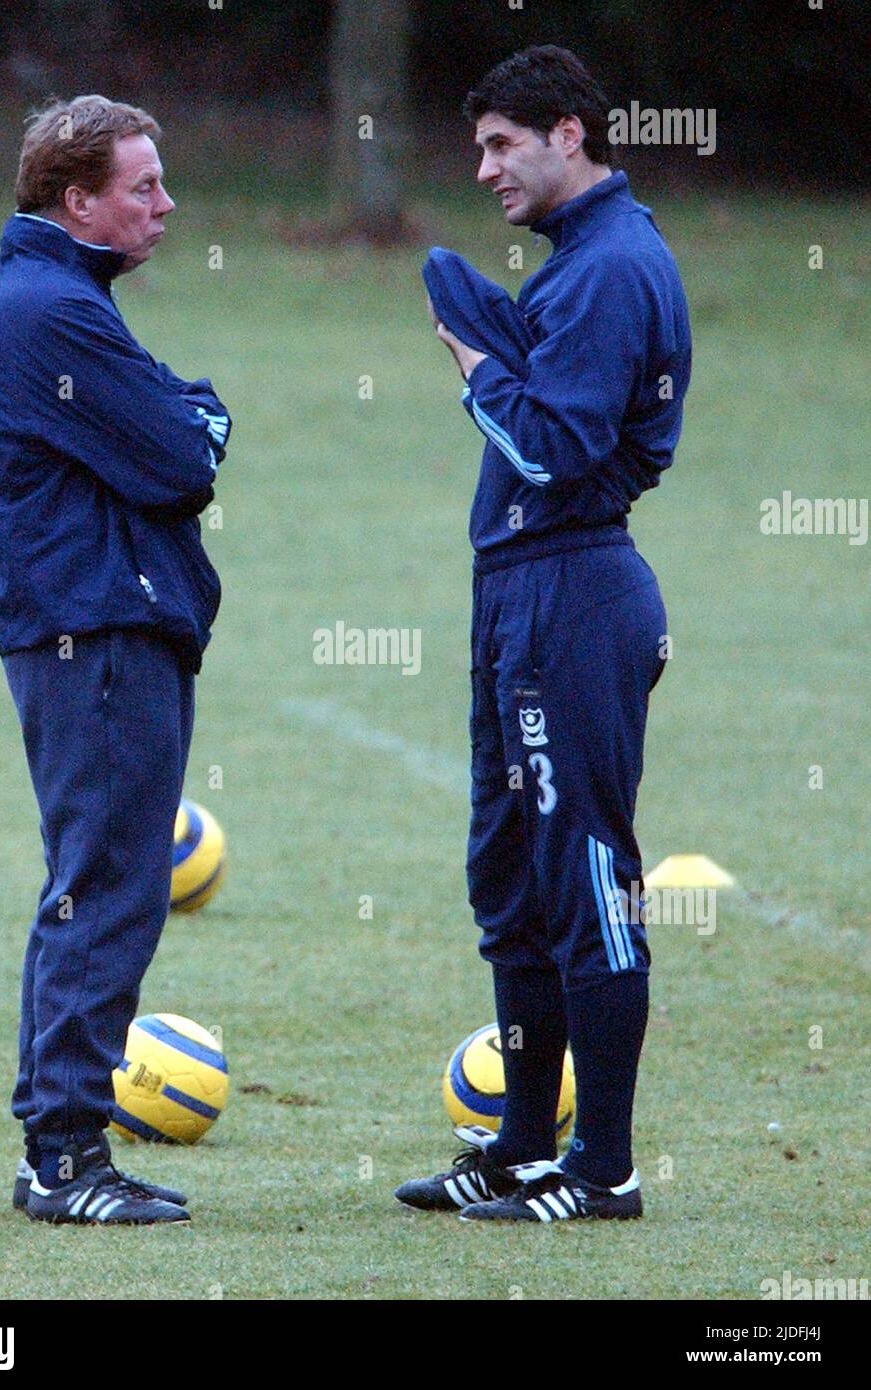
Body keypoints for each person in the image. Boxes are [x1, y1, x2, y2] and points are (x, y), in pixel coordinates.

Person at [396, 46, 691, 1223]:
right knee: (512, 879)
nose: (485, 170)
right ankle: (525, 1142)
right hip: (523, 588)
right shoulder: (582, 264)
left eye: (502, 144)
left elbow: (555, 450)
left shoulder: (612, 269)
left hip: (574, 591)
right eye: (478, 147)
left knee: (586, 879)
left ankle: (603, 1168)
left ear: (570, 132)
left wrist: (473, 361)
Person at [0, 95, 231, 1224]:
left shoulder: (60, 295)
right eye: (143, 187)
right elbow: (182, 453)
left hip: (95, 629)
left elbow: (168, 432)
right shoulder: (54, 312)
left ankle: (57, 1144)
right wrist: (200, 419)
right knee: (108, 888)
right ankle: (65, 1157)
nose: (166, 204)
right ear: (78, 200)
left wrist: (185, 417)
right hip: (97, 636)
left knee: (96, 883)